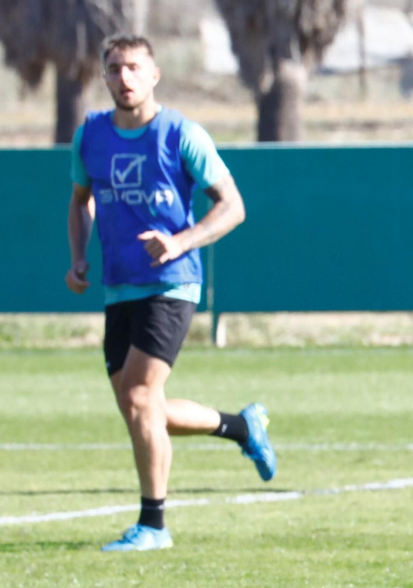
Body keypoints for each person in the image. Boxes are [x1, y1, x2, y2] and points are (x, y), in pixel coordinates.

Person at [66, 35, 275, 553]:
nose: (124, 77)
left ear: (154, 74)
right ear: (105, 76)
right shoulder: (90, 135)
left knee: (139, 397)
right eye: (114, 69)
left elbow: (233, 206)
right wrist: (78, 257)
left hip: (173, 283)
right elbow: (80, 201)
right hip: (119, 286)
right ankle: (241, 428)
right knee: (142, 407)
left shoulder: (181, 134)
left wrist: (179, 242)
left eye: (134, 67)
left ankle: (154, 525)